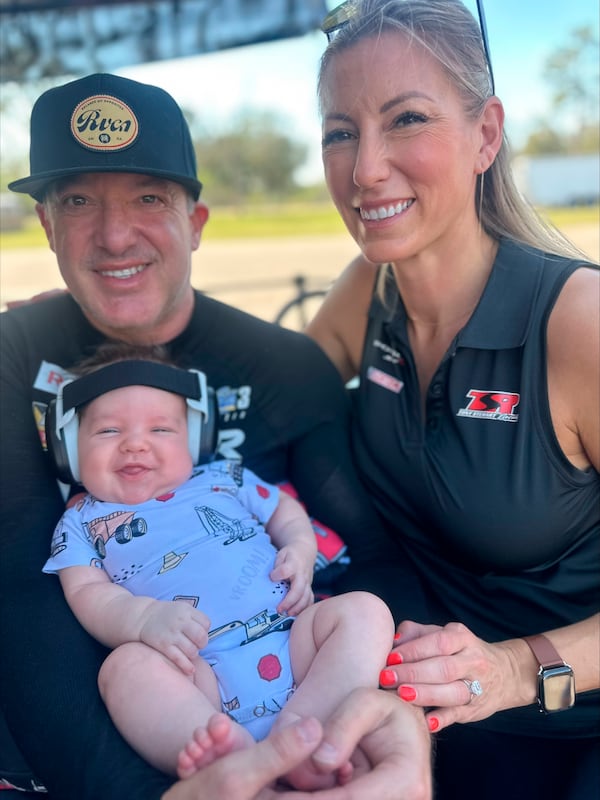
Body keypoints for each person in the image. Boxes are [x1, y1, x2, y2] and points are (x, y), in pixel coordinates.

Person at [0, 71, 432, 800]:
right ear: (45, 225)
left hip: (295, 696)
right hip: (100, 739)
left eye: (147, 198)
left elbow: (374, 562)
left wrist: (375, 726)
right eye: (77, 201)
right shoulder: (13, 353)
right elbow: (20, 586)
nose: (112, 236)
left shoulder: (284, 366)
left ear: (195, 222)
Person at [304, 1, 600, 799]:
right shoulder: (370, 291)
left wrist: (510, 670)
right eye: (339, 131)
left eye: (406, 119)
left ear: (486, 135)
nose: (365, 168)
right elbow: (269, 386)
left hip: (576, 725)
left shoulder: (577, 323)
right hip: (434, 724)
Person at [43, 342, 395, 790]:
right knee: (125, 669)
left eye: (161, 429)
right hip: (194, 672)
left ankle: (308, 728)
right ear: (68, 449)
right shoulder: (79, 522)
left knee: (365, 610)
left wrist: (301, 549)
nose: (135, 444)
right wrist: (144, 619)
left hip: (292, 641)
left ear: (195, 440)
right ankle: (229, 756)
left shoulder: (223, 478)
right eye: (109, 431)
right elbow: (87, 593)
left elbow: (284, 510)